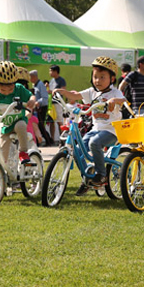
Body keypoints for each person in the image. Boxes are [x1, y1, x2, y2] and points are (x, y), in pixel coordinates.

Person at [52, 57, 125, 194]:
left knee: (94, 143)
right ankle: (87, 178)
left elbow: (123, 101)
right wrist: (62, 92)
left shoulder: (115, 92)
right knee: (76, 150)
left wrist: (114, 100)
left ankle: (101, 175)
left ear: (112, 79)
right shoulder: (92, 92)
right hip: (96, 129)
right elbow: (76, 95)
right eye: (95, 77)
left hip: (111, 131)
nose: (98, 80)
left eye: (102, 77)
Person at [0, 61, 36, 164]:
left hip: (18, 121)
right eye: (3, 89)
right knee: (1, 153)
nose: (6, 92)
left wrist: (32, 100)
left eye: (10, 89)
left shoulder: (19, 88)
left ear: (15, 83)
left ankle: (23, 152)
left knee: (20, 126)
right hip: (4, 127)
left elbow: (31, 96)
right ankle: (0, 175)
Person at [30, 69, 53, 147]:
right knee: (39, 125)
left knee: (41, 125)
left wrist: (38, 102)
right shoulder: (35, 85)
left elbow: (45, 98)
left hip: (42, 107)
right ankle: (46, 141)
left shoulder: (40, 84)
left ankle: (49, 141)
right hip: (37, 108)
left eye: (30, 77)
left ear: (34, 77)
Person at [48, 64, 67, 142]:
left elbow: (63, 91)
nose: (50, 72)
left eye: (51, 71)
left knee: (59, 121)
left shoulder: (61, 80)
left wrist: (53, 91)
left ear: (56, 71)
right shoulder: (51, 81)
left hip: (58, 103)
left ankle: (62, 139)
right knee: (51, 121)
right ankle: (52, 139)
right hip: (51, 104)